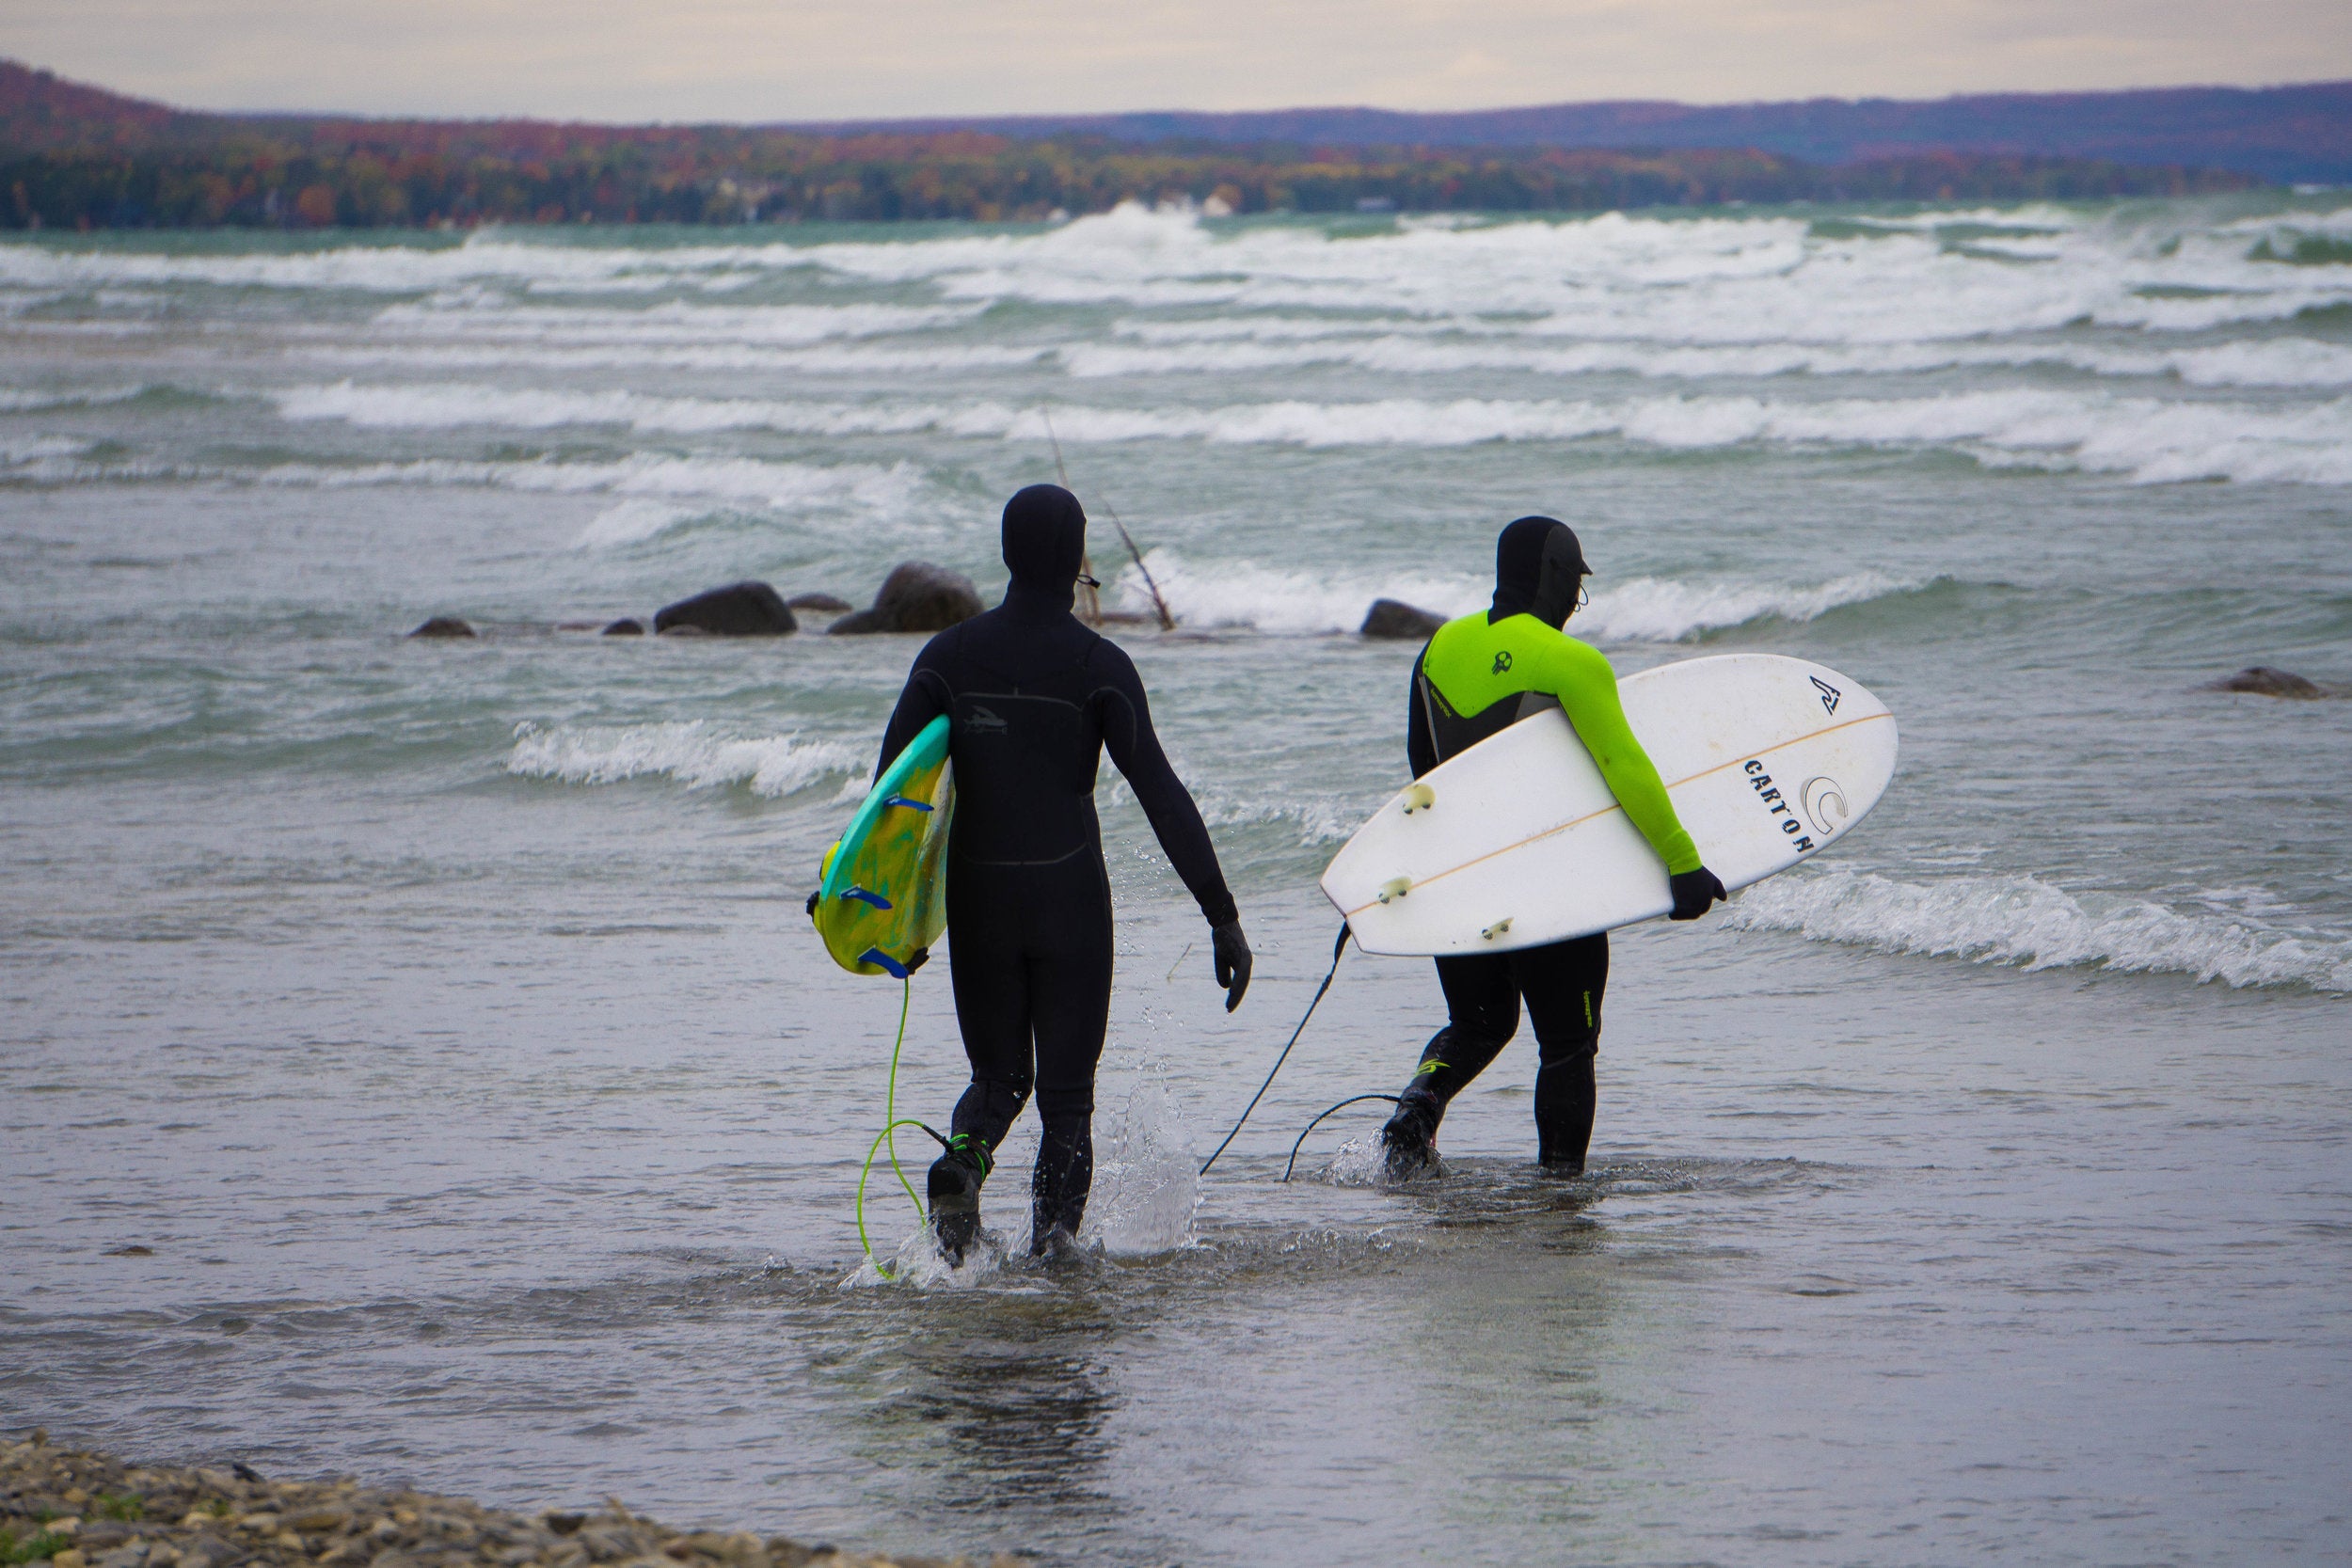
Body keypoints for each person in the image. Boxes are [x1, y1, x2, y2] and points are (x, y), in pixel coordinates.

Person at [874, 483, 1251, 1261]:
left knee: (998, 1079)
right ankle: (1055, 1261)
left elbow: (893, 803)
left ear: (1007, 553)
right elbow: (1162, 795)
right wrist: (1221, 912)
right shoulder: (1099, 664)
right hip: (1069, 896)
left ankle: (964, 1163)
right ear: (1078, 559)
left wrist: (886, 920)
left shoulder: (945, 656)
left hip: (979, 896)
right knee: (1067, 1101)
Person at [1379, 516, 1725, 1178]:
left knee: (1478, 1023)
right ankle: (1560, 1193)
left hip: (1462, 874)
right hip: (1549, 882)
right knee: (1567, 1043)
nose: (1574, 602)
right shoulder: (1571, 661)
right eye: (1575, 584)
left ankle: (1415, 1110)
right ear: (1556, 577)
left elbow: (1423, 771)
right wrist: (1682, 863)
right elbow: (1623, 764)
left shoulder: (1438, 648)